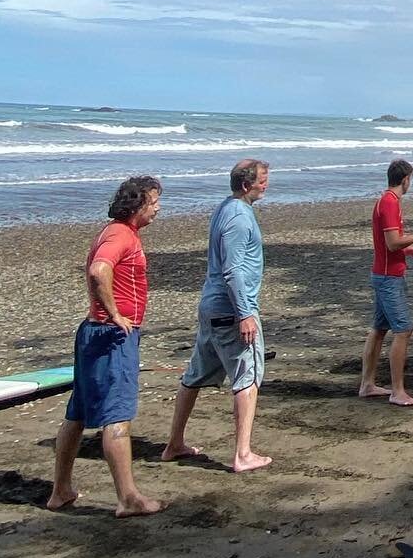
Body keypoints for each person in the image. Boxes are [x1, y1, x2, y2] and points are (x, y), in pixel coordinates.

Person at [47, 175, 165, 518]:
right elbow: (99, 271)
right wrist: (115, 314)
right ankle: (127, 498)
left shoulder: (121, 232)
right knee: (117, 415)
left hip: (95, 333)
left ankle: (61, 490)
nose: (158, 209)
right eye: (153, 202)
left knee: (79, 413)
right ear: (136, 205)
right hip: (109, 336)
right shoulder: (118, 234)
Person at [163, 159, 273, 473]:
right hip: (228, 309)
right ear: (246, 184)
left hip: (213, 309)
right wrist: (246, 314)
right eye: (263, 180)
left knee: (195, 375)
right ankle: (242, 454)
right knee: (247, 377)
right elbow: (233, 270)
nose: (266, 185)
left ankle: (175, 444)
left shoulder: (228, 208)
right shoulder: (237, 216)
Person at [359, 159, 413, 406]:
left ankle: (368, 384)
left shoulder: (389, 201)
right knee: (403, 330)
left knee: (379, 329)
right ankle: (397, 391)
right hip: (388, 277)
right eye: (411, 179)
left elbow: (390, 246)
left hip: (386, 272)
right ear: (405, 179)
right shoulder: (389, 202)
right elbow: (393, 243)